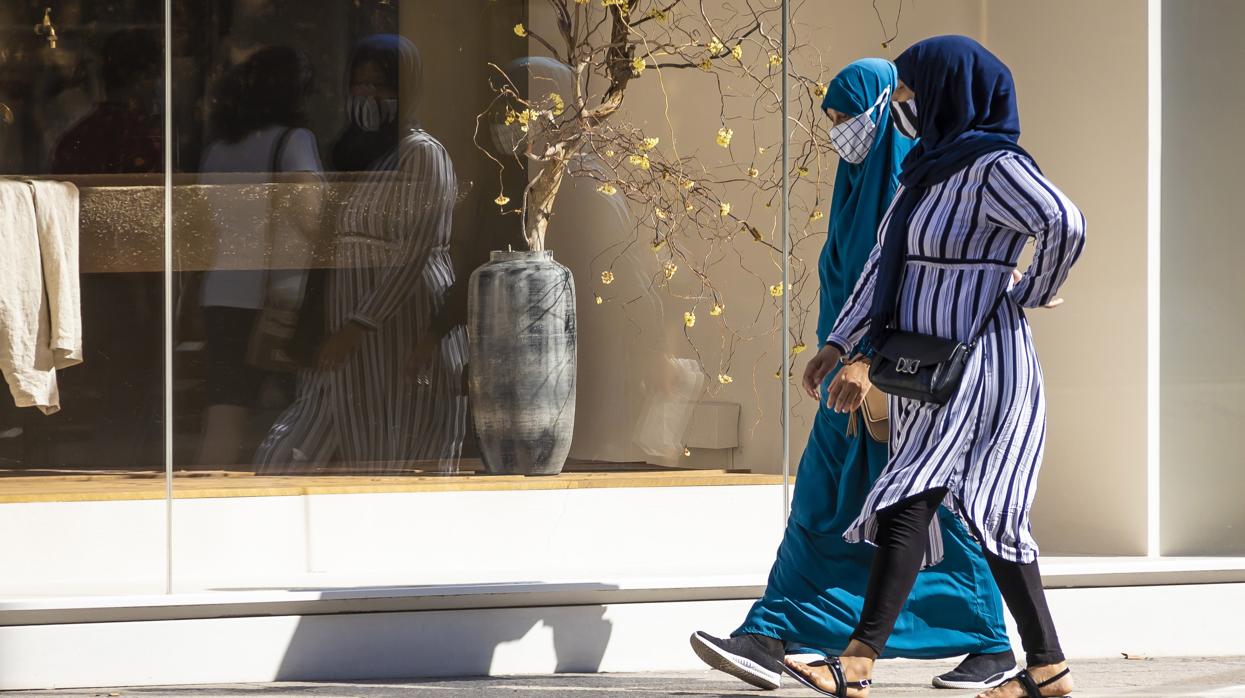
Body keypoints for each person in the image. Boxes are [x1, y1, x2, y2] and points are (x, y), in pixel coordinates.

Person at [690, 58, 1018, 692]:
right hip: (849, 375)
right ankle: (771, 631)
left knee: (931, 515)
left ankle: (989, 640)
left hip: (896, 383)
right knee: (821, 502)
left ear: (878, 111)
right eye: (831, 118)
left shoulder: (910, 183)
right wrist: (835, 347)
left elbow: (909, 285)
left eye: (846, 116)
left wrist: (868, 362)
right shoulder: (857, 183)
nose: (838, 129)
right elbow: (850, 282)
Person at [783, 36, 1085, 698]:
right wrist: (840, 342)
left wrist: (1030, 290)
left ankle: (855, 661)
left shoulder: (992, 166)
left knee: (910, 495)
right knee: (985, 514)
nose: (902, 107)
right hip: (925, 363)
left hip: (981, 360)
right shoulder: (926, 168)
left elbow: (1064, 222)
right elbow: (880, 263)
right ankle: (1046, 668)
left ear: (951, 92)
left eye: (911, 93)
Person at [254, 34, 467, 475]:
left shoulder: (422, 155)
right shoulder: (350, 153)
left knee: (391, 450)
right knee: (288, 454)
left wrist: (359, 324)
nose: (368, 96)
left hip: (400, 330)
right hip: (340, 329)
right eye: (361, 84)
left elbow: (414, 250)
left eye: (382, 86)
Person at [195, 45, 323, 467]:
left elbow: (204, 226)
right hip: (275, 300)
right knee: (296, 419)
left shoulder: (218, 149)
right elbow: (311, 218)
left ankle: (209, 501)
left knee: (224, 416)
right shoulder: (294, 141)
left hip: (220, 293)